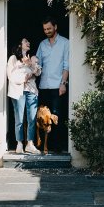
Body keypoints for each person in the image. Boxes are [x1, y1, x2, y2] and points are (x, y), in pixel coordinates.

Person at [36, 16, 69, 154]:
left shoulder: (65, 43)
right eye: (45, 29)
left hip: (57, 86)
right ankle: (43, 146)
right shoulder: (42, 44)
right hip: (43, 86)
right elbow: (37, 64)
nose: (47, 31)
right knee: (42, 118)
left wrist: (63, 83)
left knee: (56, 117)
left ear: (55, 27)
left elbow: (67, 65)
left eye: (49, 28)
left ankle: (58, 146)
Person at [7, 38, 42, 154]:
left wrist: (31, 64)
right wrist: (24, 78)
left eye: (29, 41)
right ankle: (19, 143)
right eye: (26, 41)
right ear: (19, 45)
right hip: (18, 91)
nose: (28, 43)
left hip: (31, 91)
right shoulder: (13, 59)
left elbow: (38, 73)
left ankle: (30, 144)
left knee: (32, 118)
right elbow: (10, 75)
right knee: (19, 118)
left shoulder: (31, 58)